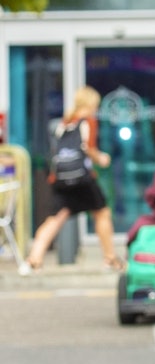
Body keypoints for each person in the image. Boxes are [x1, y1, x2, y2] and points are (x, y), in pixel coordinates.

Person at [21, 86, 122, 274]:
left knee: (54, 219)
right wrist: (101, 158)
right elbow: (89, 148)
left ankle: (33, 260)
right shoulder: (88, 121)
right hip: (82, 179)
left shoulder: (64, 123)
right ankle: (110, 259)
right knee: (102, 213)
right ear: (91, 103)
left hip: (61, 179)